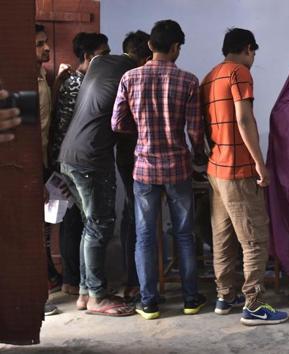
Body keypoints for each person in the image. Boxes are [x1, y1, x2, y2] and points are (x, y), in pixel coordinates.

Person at [111, 20, 207, 320]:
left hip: (144, 167)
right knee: (184, 233)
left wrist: (139, 132)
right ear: (176, 47)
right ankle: (191, 299)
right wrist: (199, 158)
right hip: (178, 168)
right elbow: (195, 130)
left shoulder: (130, 78)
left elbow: (117, 122)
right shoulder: (189, 81)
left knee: (145, 235)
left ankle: (149, 303)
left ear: (150, 46)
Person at [58, 31, 152, 317]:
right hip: (91, 158)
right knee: (99, 225)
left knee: (91, 224)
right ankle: (97, 296)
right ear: (145, 57)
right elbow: (130, 122)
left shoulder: (99, 63)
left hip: (68, 154)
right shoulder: (131, 75)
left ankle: (87, 293)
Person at [201, 27, 288, 326]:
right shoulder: (239, 73)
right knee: (255, 239)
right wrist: (260, 164)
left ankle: (225, 296)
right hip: (238, 170)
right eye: (253, 53)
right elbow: (244, 118)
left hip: (216, 169)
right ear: (248, 49)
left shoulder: (209, 77)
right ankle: (254, 303)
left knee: (222, 237)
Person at [49, 32, 110, 296]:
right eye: (103, 53)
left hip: (68, 160)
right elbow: (64, 127)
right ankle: (73, 281)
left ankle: (76, 283)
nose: (107, 58)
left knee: (81, 221)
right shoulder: (76, 84)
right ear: (88, 56)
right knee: (77, 221)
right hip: (71, 162)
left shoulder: (83, 80)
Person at [113, 31, 153, 304]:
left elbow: (117, 122)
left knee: (133, 217)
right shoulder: (134, 75)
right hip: (139, 157)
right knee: (141, 221)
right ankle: (137, 283)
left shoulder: (122, 77)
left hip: (127, 156)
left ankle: (135, 283)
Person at [35, 24, 62, 316]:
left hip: (42, 161)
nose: (46, 48)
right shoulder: (21, 80)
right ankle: (34, 299)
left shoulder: (42, 76)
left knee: (42, 228)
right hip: (27, 166)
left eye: (45, 42)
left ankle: (47, 282)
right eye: (39, 44)